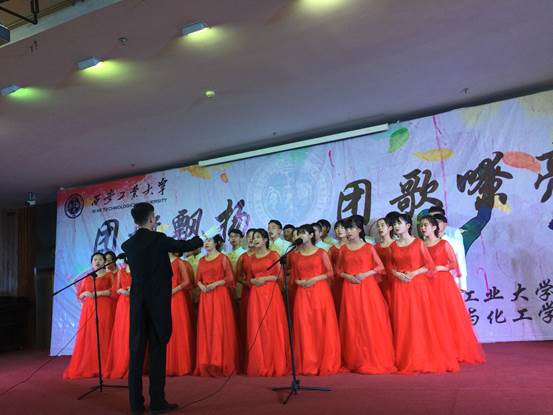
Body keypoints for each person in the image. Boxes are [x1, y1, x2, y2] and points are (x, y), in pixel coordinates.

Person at [122, 202, 204, 415]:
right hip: (157, 304)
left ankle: (135, 404)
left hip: (137, 304)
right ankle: (157, 402)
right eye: (154, 217)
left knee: (136, 352)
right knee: (157, 352)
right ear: (151, 219)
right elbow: (184, 246)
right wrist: (200, 239)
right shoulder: (158, 239)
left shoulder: (128, 245)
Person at [388, 214, 459, 373]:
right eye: (394, 224)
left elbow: (429, 265)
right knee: (404, 322)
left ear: (408, 226)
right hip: (400, 286)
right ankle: (406, 357)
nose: (396, 226)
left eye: (399, 223)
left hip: (417, 285)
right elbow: (390, 266)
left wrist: (413, 273)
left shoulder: (418, 243)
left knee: (419, 320)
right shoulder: (393, 246)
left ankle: (422, 355)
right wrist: (397, 274)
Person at [420, 215, 485, 364]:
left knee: (446, 315)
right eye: (422, 225)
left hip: (443, 283)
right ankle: (433, 349)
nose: (423, 228)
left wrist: (438, 268)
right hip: (426, 282)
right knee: (430, 317)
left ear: (434, 227)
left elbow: (453, 264)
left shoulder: (444, 244)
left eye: (426, 225)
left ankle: (452, 349)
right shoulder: (420, 245)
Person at [338, 216, 396, 374]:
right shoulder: (343, 249)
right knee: (353, 322)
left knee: (369, 321)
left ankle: (372, 356)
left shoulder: (369, 247)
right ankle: (355, 358)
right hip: (350, 288)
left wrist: (365, 274)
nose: (348, 232)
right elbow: (338, 270)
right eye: (347, 229)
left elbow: (380, 267)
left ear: (359, 230)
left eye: (351, 228)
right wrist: (348, 276)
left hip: (368, 288)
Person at [289, 224, 341, 375]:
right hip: (302, 293)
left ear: (311, 235)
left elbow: (330, 273)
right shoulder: (295, 255)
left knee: (320, 324)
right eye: (299, 233)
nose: (301, 236)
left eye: (304, 233)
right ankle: (308, 361)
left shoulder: (321, 253)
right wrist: (299, 282)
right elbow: (294, 276)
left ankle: (323, 360)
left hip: (319, 291)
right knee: (304, 325)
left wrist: (314, 279)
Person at [245, 229, 291, 376]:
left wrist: (265, 278)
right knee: (258, 326)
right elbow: (248, 278)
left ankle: (275, 362)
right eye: (253, 237)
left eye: (258, 237)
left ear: (265, 240)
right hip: (256, 295)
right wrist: (254, 281)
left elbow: (280, 276)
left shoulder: (273, 255)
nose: (255, 240)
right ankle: (261, 362)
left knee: (272, 325)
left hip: (271, 293)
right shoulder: (251, 258)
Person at [64, 252, 115, 379]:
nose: (97, 262)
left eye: (100, 259)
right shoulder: (87, 277)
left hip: (105, 308)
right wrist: (85, 293)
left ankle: (105, 366)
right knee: (91, 336)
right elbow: (79, 295)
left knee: (104, 334)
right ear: (91, 263)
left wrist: (97, 294)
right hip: (89, 310)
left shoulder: (109, 275)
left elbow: (114, 291)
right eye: (95, 260)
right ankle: (91, 365)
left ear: (104, 262)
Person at [194, 236, 239, 377]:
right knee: (207, 327)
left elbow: (230, 278)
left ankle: (220, 361)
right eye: (205, 241)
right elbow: (197, 279)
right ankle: (206, 361)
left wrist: (216, 283)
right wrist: (201, 285)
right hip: (206, 296)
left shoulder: (222, 258)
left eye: (209, 241)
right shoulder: (202, 260)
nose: (206, 243)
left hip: (219, 295)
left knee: (219, 326)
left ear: (216, 243)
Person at [166, 252, 195, 376]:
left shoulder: (179, 262)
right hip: (164, 298)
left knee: (178, 329)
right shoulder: (160, 262)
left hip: (177, 297)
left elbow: (186, 281)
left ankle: (182, 365)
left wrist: (174, 290)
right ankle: (167, 365)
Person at [105, 259, 132, 379]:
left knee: (133, 332)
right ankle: (121, 360)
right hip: (123, 303)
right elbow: (116, 290)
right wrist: (122, 290)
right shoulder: (121, 271)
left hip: (135, 302)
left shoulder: (140, 270)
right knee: (122, 332)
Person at [430, 210, 468, 291]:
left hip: (452, 280)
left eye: (438, 222)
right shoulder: (425, 243)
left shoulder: (455, 242)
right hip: (431, 282)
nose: (436, 225)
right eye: (433, 223)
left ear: (445, 224)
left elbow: (461, 263)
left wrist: (462, 286)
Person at [374, 217, 396, 304]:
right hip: (380, 280)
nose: (380, 228)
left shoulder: (397, 244)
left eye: (382, 225)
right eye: (378, 226)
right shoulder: (375, 247)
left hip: (395, 278)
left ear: (390, 228)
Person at [329, 219, 347, 314]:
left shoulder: (353, 246)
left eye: (342, 227)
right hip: (337, 281)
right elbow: (330, 268)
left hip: (352, 279)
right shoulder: (332, 249)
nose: (339, 230)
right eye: (337, 228)